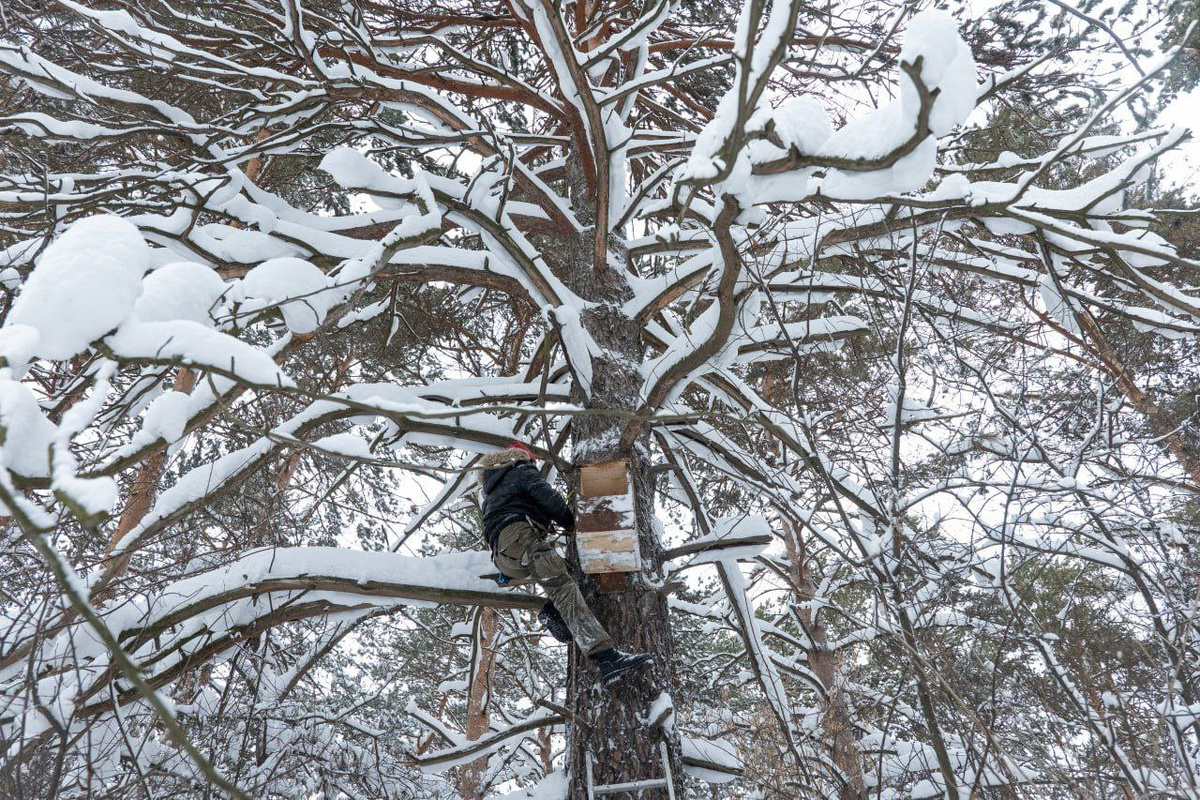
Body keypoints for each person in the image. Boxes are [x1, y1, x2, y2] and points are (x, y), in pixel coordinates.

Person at [478, 441, 651, 687]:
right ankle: (606, 657)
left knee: (567, 573)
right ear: (523, 457)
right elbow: (546, 496)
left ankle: (553, 612)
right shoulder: (520, 467)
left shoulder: (492, 491)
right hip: (521, 538)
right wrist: (571, 522)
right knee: (564, 590)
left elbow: (495, 527)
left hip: (505, 557)